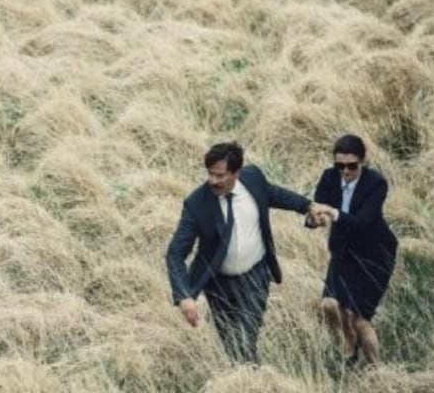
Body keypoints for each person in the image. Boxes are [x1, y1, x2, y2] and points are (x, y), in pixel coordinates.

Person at [165, 141, 326, 363]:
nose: (213, 181)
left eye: (220, 175)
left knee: (244, 339)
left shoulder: (253, 179)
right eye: (210, 174)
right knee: (232, 346)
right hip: (218, 285)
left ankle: (252, 381)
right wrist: (184, 296)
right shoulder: (196, 204)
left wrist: (307, 206)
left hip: (255, 276)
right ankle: (250, 379)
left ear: (236, 173)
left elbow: (275, 194)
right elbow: (175, 253)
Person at [308, 134, 398, 367]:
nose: (345, 171)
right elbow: (317, 208)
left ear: (362, 162)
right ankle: (349, 339)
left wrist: (332, 212)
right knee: (328, 305)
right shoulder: (329, 177)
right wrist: (315, 219)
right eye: (340, 165)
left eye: (351, 166)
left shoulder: (376, 183)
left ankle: (378, 371)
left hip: (374, 255)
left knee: (360, 319)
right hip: (343, 250)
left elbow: (361, 223)